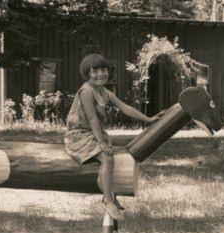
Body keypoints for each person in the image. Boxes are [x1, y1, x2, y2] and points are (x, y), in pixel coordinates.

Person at [64, 53, 161, 220]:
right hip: (79, 135)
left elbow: (125, 107)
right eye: (95, 71)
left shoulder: (104, 92)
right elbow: (92, 118)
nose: (100, 74)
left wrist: (148, 119)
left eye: (103, 70)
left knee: (116, 154)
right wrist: (101, 143)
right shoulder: (86, 91)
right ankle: (109, 200)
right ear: (86, 73)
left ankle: (110, 194)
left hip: (94, 133)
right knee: (107, 158)